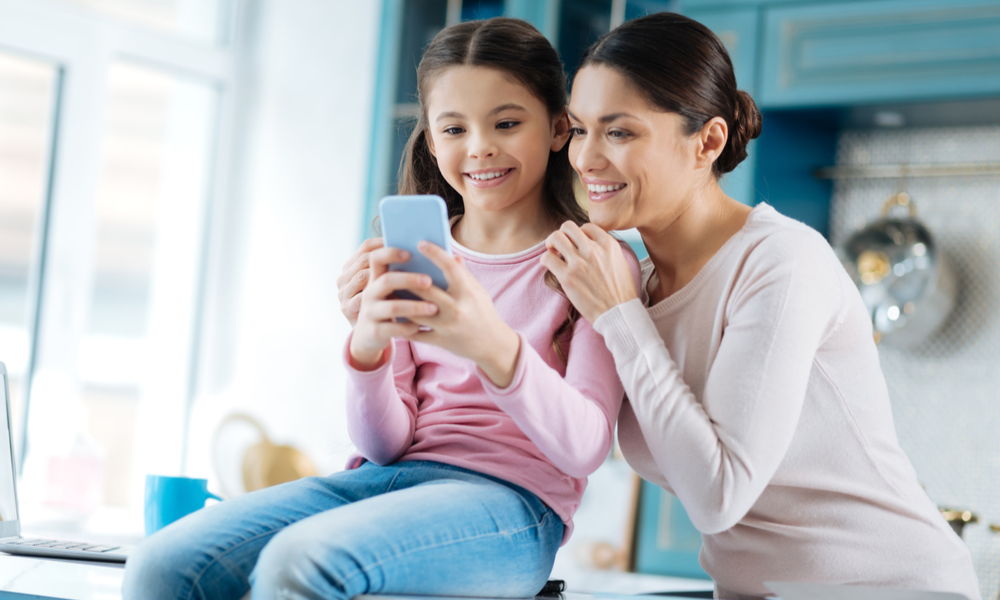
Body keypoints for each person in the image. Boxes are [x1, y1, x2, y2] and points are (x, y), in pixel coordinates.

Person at [124, 17, 638, 600]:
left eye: (507, 122)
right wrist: (367, 346)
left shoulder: (594, 259)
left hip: (514, 506)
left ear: (556, 128)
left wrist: (490, 343)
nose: (479, 147)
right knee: (161, 565)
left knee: (300, 562)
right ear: (432, 137)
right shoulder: (417, 252)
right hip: (383, 482)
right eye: (453, 128)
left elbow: (586, 445)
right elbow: (384, 446)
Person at [540, 12, 981, 600]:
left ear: (709, 141)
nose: (586, 159)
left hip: (887, 588)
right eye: (579, 131)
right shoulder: (626, 284)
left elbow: (719, 495)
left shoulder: (780, 262)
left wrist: (620, 318)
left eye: (619, 133)